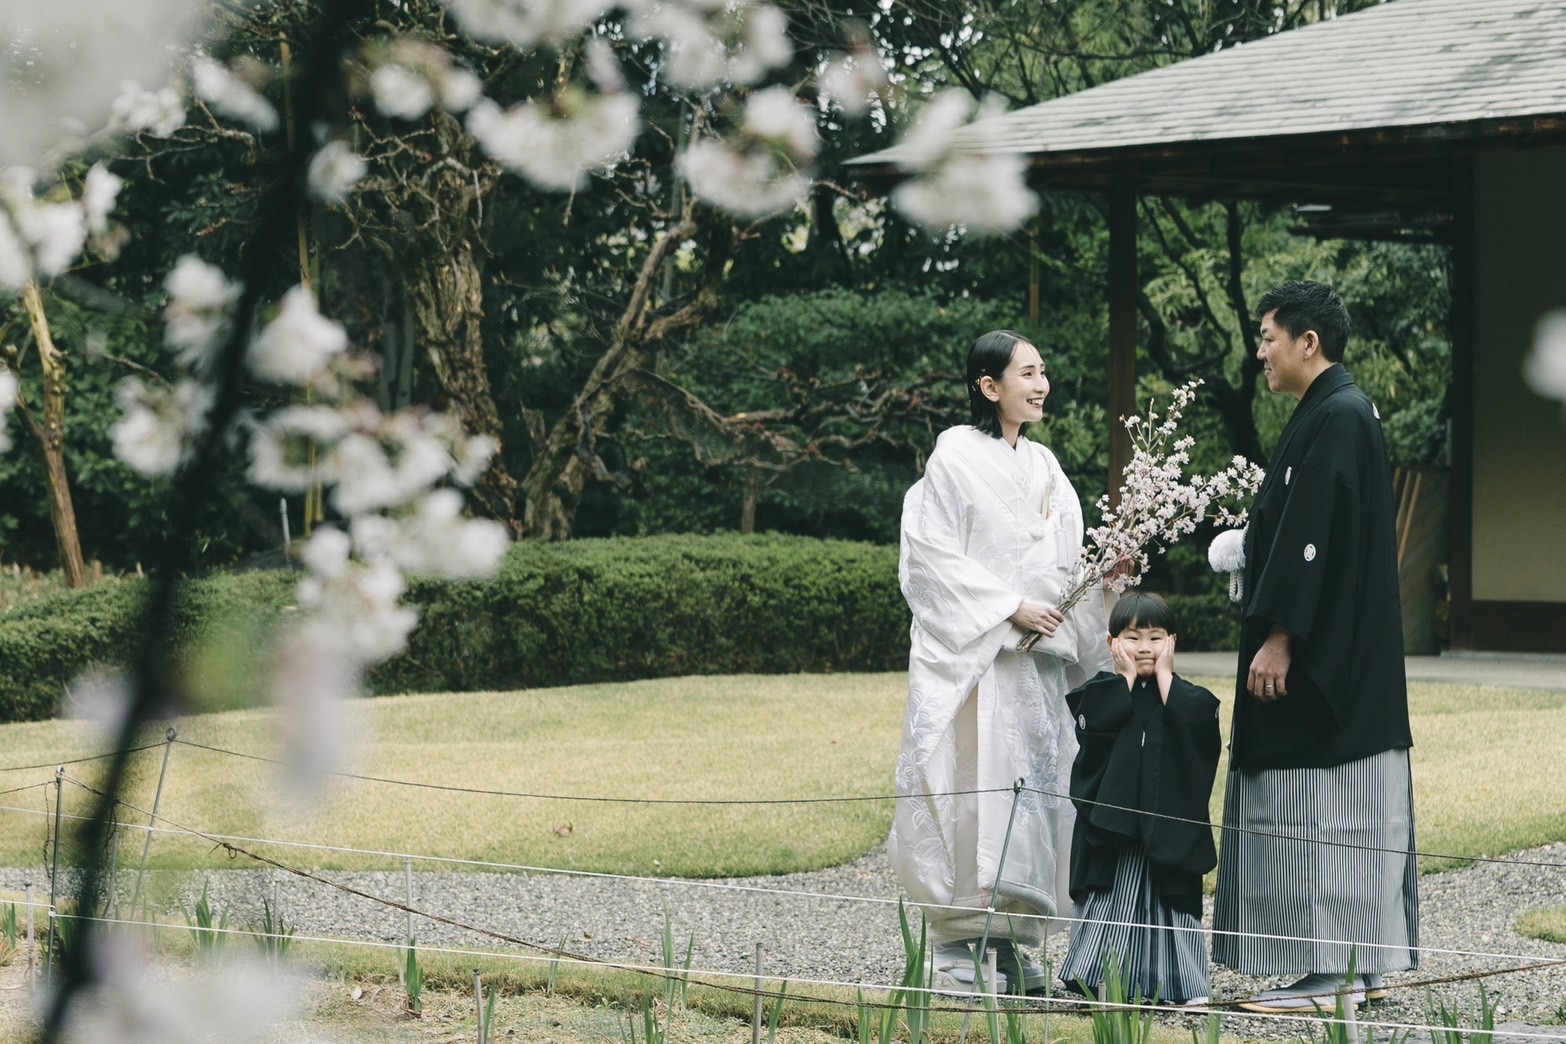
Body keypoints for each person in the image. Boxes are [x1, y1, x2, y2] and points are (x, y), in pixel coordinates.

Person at [1211, 280, 1419, 1012]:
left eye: (1269, 337)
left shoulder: (1336, 414)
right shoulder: (1337, 410)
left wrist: (1279, 636)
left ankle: (1332, 973)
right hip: (1346, 661)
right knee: (1347, 808)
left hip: (1321, 664)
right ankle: (1356, 969)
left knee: (1323, 808)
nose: (1260, 351)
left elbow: (1313, 540)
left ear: (1309, 343)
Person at [892, 329, 1112, 994]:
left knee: (1039, 795)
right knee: (975, 788)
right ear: (989, 387)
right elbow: (929, 556)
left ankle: (1018, 941)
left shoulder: (1047, 467)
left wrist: (1104, 582)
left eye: (1043, 371)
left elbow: (1069, 564)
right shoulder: (954, 456)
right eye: (1026, 373)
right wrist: (1007, 606)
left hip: (1038, 669)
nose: (1040, 384)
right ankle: (961, 944)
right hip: (982, 661)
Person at [1058, 592, 1219, 1006]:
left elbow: (1202, 730)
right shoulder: (1102, 693)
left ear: (1172, 642)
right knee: (1112, 900)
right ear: (1113, 643)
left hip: (1170, 830)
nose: (1144, 647)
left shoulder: (1186, 698)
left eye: (1155, 637)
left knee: (1170, 907)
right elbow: (1092, 726)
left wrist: (1165, 679)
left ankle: (1177, 983)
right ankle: (1098, 977)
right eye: (1132, 637)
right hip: (1114, 833)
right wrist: (1125, 681)